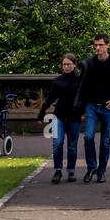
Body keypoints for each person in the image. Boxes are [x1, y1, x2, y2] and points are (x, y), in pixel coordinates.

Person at [75, 34, 110, 183]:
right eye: (95, 45)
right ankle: (91, 167)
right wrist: (80, 109)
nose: (97, 48)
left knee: (105, 142)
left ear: (108, 45)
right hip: (92, 106)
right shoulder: (88, 64)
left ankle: (101, 171)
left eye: (100, 45)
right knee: (88, 137)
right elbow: (81, 88)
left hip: (108, 107)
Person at [37, 53, 83, 183]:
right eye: (64, 64)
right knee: (57, 144)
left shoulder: (79, 80)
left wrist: (84, 113)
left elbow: (84, 98)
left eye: (69, 64)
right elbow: (50, 98)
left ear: (74, 65)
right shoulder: (58, 81)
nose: (66, 67)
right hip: (59, 116)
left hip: (74, 116)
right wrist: (42, 112)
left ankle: (71, 171)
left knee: (72, 146)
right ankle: (58, 170)